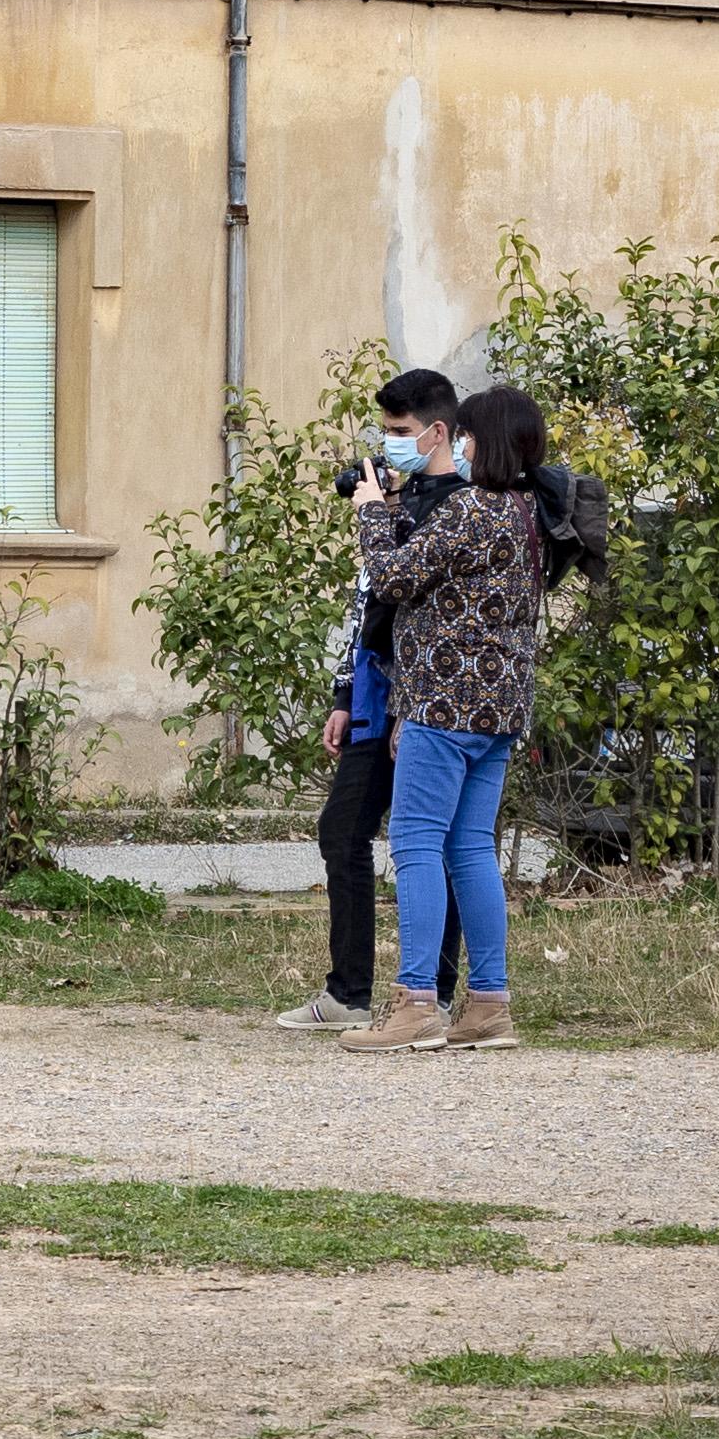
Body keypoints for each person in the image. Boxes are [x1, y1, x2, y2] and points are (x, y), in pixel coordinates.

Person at [341, 380, 553, 1052]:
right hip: (499, 708)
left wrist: (373, 511)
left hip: (446, 705)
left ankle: (415, 1003)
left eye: (465, 434)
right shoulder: (528, 512)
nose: (457, 443)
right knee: (469, 850)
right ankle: (488, 1003)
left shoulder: (473, 510)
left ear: (482, 440)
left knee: (415, 844)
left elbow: (394, 579)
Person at [275, 370, 462, 1033]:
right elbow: (366, 606)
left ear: (438, 431)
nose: (388, 447)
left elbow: (410, 597)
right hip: (373, 697)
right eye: (384, 433)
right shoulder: (396, 500)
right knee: (343, 831)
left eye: (400, 433)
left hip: (421, 706)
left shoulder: (455, 506)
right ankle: (348, 991)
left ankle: (435, 995)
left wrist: (378, 513)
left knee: (435, 845)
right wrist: (343, 693)